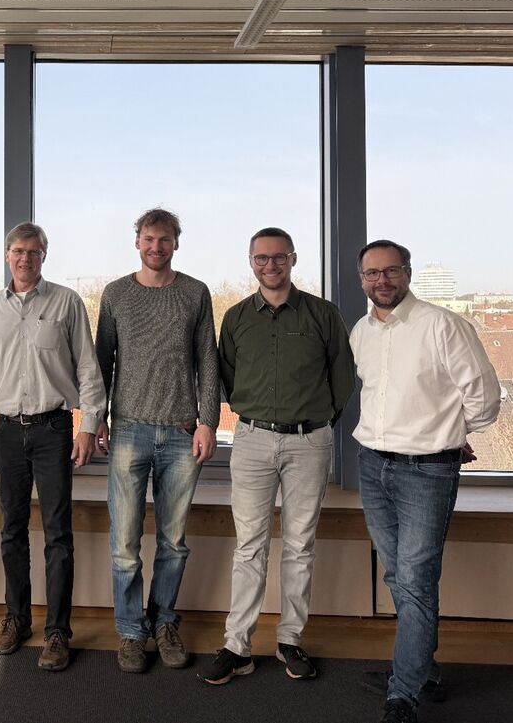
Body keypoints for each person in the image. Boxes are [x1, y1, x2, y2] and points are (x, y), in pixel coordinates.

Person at [350, 239, 500, 723]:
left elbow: (486, 398)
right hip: (372, 466)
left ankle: (404, 693)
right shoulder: (361, 333)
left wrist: (451, 433)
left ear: (407, 273)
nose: (382, 281)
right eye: (372, 273)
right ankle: (422, 670)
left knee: (414, 580)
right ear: (362, 280)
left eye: (391, 271)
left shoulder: (443, 325)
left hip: (426, 472)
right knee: (399, 575)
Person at [201, 227, 355, 686]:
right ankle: (237, 645)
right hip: (251, 441)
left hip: (310, 442)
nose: (271, 265)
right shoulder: (235, 318)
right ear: (251, 262)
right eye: (261, 258)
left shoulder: (323, 315)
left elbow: (342, 377)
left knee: (299, 543)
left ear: (292, 259)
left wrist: (319, 420)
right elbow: (226, 375)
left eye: (279, 257)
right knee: (248, 545)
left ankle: (290, 640)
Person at [0, 222, 106, 672]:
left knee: (57, 533)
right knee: (11, 530)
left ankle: (57, 632)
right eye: (16, 251)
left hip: (53, 431)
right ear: (7, 255)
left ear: (44, 255)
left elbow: (88, 370)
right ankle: (17, 620)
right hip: (6, 431)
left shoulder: (66, 303)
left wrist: (89, 426)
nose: (24, 258)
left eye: (32, 251)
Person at [94, 208, 219, 673]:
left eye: (165, 240)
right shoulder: (116, 295)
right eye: (149, 239)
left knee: (173, 541)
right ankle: (130, 631)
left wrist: (208, 420)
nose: (156, 247)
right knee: (124, 544)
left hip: (182, 434)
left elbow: (208, 360)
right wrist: (97, 419)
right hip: (128, 430)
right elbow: (101, 361)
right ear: (137, 242)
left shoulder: (195, 293)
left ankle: (163, 621)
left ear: (176, 244)